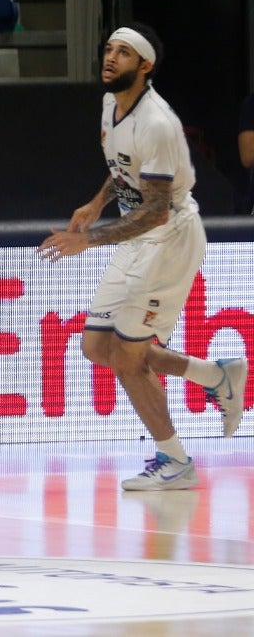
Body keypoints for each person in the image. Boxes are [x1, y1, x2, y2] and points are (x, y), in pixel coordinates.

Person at [39, 25, 248, 490]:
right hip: (138, 239)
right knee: (97, 348)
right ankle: (216, 376)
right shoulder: (110, 105)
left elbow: (155, 212)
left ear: (145, 66)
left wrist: (88, 239)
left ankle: (175, 461)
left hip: (169, 240)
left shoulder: (157, 122)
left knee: (128, 359)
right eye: (109, 49)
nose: (110, 58)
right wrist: (96, 204)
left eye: (124, 53)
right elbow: (123, 170)